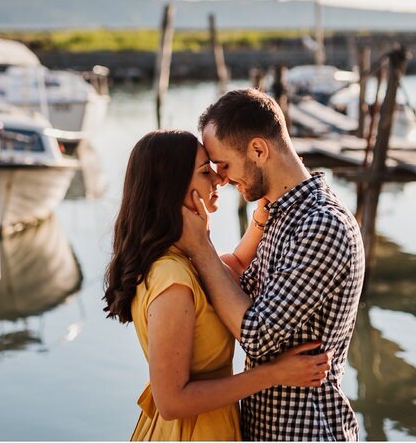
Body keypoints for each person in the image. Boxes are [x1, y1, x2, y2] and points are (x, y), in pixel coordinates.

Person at [103, 129, 331, 441]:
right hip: (193, 431)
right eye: (204, 171)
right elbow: (172, 402)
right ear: (172, 187)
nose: (218, 180)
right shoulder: (173, 282)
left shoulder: (180, 257)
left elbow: (232, 265)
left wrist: (262, 215)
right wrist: (276, 373)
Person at [177, 89, 366, 441]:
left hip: (306, 432)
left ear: (259, 150)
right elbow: (238, 293)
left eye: (225, 165)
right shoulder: (279, 214)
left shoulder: (321, 225)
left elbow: (257, 334)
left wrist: (202, 249)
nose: (221, 179)